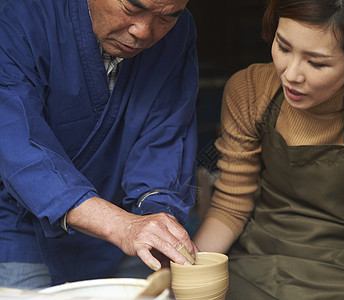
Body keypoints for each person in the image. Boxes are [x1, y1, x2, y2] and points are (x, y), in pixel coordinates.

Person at [193, 0, 344, 299]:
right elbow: (231, 206)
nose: (291, 74)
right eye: (283, 47)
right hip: (253, 268)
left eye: (316, 62)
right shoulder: (250, 90)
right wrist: (185, 271)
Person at [0, 0, 199, 289]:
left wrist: (158, 220)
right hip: (19, 230)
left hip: (124, 238)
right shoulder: (19, 15)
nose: (143, 31)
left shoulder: (177, 34)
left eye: (166, 17)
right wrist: (122, 226)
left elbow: (164, 141)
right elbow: (16, 144)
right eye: (132, 8)